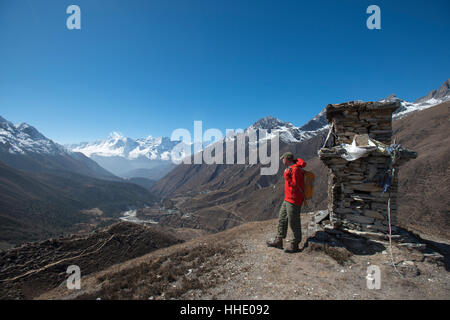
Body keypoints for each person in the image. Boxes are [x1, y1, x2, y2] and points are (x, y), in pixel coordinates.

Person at [266, 152, 306, 253]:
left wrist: (287, 177)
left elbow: (295, 185)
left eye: (283, 159)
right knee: (282, 218)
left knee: (293, 221)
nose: (282, 161)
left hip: (294, 199)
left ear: (287, 159)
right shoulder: (290, 168)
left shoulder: (295, 169)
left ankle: (295, 244)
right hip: (288, 198)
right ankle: (279, 240)